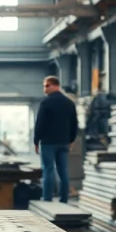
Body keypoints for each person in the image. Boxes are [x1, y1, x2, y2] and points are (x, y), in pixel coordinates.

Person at [33, 76, 79, 204]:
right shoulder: (69, 103)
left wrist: (36, 140)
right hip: (64, 142)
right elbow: (74, 123)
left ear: (55, 85)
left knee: (48, 170)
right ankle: (64, 199)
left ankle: (47, 198)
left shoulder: (46, 103)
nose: (45, 89)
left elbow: (40, 123)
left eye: (47, 86)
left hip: (48, 142)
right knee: (63, 170)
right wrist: (71, 139)